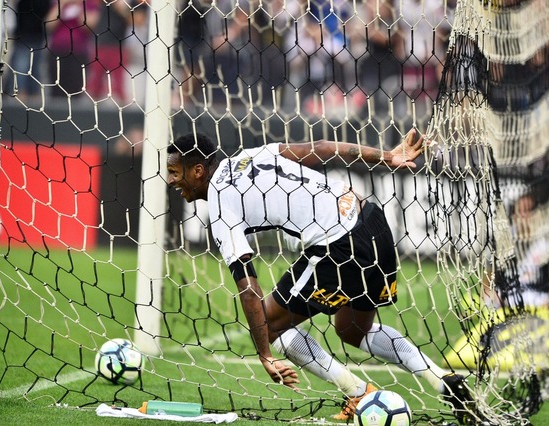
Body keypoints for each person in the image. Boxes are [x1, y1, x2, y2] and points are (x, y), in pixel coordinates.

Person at [165, 130, 476, 423]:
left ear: (197, 171)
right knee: (353, 330)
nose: (170, 180)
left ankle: (360, 394)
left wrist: (264, 354)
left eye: (175, 172)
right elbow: (322, 148)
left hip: (339, 247)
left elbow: (248, 287)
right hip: (371, 221)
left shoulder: (220, 201)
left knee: (271, 324)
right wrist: (387, 156)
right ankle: (443, 380)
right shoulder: (252, 154)